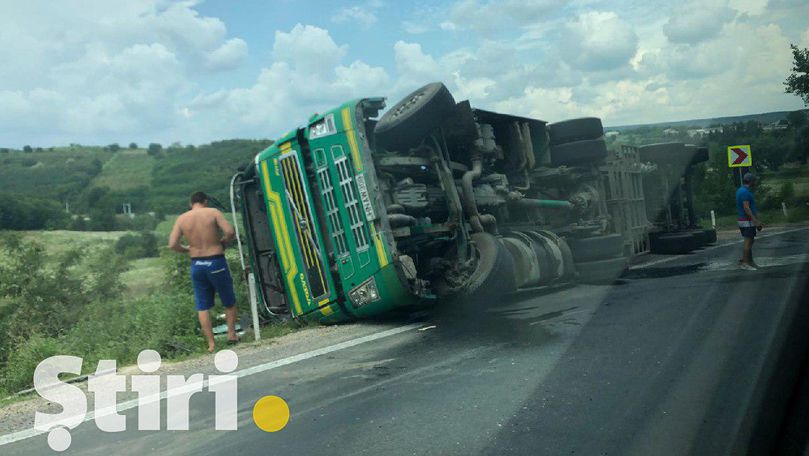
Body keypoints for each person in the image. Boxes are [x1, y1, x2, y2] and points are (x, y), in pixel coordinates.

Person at [168, 191, 238, 352]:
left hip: (197, 264)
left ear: (191, 203)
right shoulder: (212, 212)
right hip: (215, 261)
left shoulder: (182, 219)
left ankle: (211, 344)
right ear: (205, 201)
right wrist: (222, 242)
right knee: (228, 300)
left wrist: (188, 249)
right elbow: (229, 231)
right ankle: (231, 335)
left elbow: (172, 244)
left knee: (202, 305)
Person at [736, 173, 763, 270]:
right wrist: (755, 221)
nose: (755, 182)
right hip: (747, 221)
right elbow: (746, 208)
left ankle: (750, 261)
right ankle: (745, 263)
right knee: (748, 242)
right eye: (754, 181)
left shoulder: (740, 190)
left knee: (750, 240)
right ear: (751, 181)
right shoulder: (745, 193)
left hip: (744, 220)